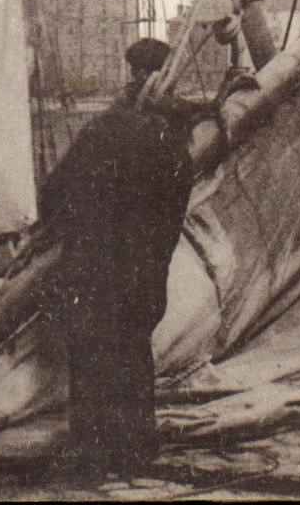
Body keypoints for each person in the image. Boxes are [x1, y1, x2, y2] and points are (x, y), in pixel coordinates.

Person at [39, 38, 215, 479]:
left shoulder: (109, 130)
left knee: (91, 360)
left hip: (95, 271)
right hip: (147, 277)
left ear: (136, 76)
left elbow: (55, 194)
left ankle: (92, 458)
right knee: (134, 356)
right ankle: (135, 450)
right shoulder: (178, 143)